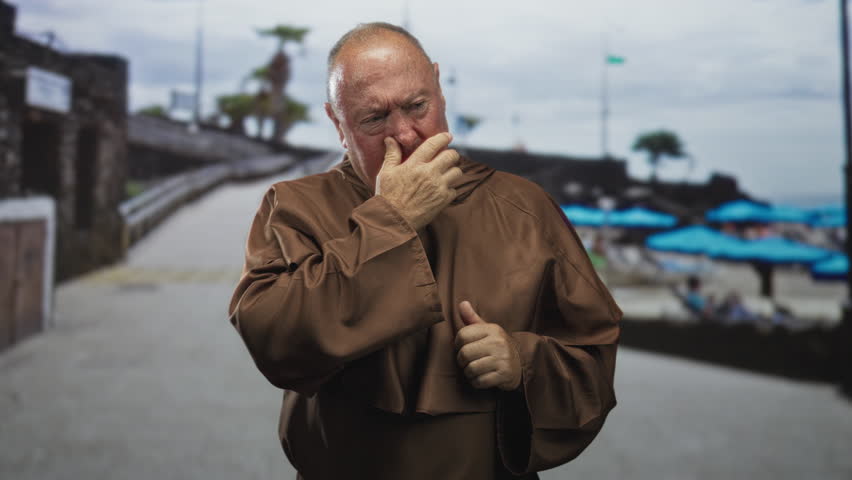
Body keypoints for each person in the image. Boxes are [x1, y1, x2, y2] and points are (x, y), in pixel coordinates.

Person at [228, 22, 621, 480]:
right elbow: (275, 342)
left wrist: (522, 362)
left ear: (439, 86)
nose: (406, 135)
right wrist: (392, 218)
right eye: (374, 119)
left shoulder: (524, 207)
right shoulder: (294, 207)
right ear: (338, 122)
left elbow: (593, 360)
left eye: (418, 106)